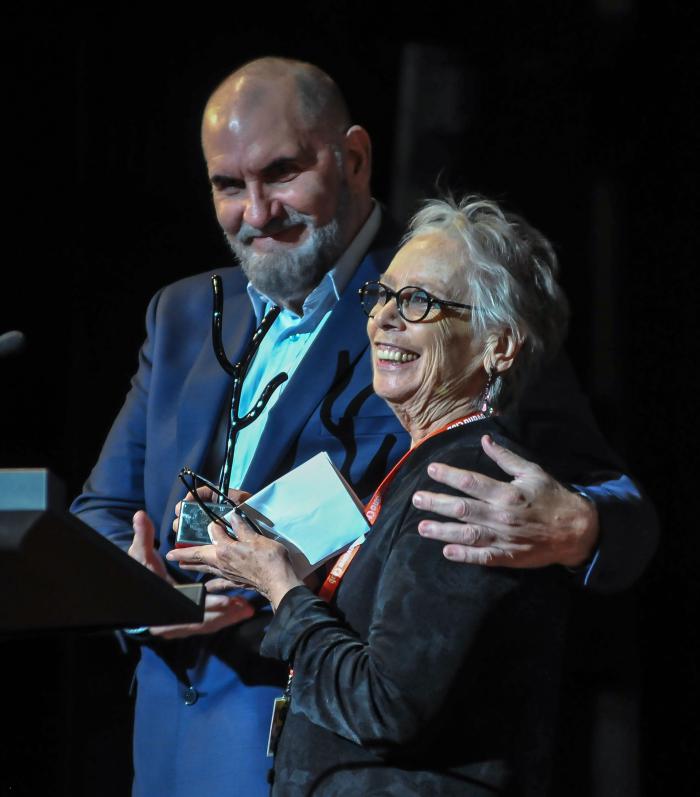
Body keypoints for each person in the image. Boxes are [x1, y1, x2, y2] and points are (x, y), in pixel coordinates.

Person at [70, 57, 656, 795]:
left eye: (282, 173)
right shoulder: (181, 312)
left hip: (342, 755)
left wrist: (579, 528)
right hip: (169, 758)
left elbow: (620, 505)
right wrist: (145, 601)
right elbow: (99, 513)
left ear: (352, 158)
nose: (256, 212)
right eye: (228, 186)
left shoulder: (446, 309)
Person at [168, 194, 574, 795]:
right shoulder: (423, 466)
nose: (383, 318)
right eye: (381, 295)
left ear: (499, 345)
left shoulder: (467, 486)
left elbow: (386, 708)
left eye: (419, 302)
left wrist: (282, 588)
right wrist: (291, 571)